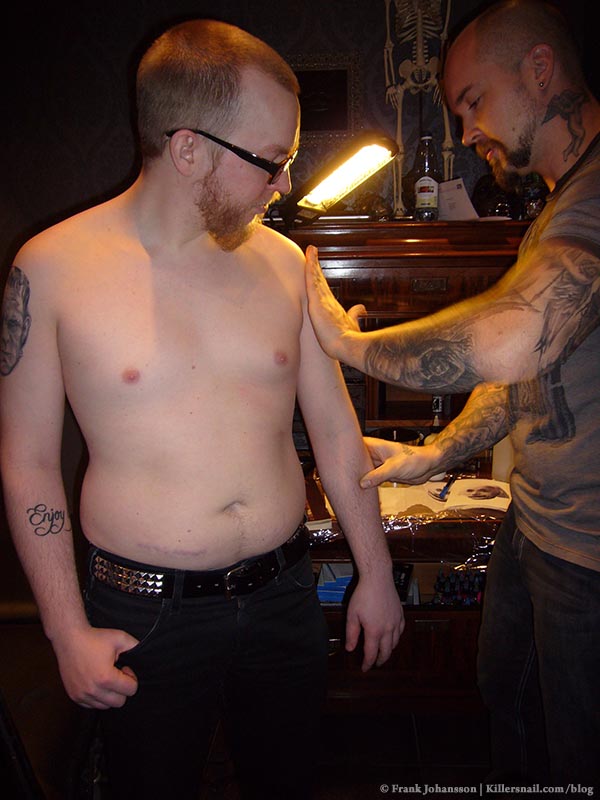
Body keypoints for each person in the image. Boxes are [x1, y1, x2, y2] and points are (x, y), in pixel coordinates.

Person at [0, 19, 404, 800]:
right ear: (188, 149)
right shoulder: (49, 268)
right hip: (144, 614)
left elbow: (335, 431)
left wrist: (377, 574)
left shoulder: (286, 264)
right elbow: (28, 463)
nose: (284, 185)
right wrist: (65, 629)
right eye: (272, 161)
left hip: (284, 595)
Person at [304, 0, 600, 787]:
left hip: (589, 556)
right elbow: (520, 378)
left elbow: (517, 337)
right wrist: (433, 453)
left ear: (540, 70)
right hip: (536, 524)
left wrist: (349, 345)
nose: (466, 132)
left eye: (473, 102)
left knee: (575, 755)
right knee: (508, 702)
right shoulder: (558, 203)